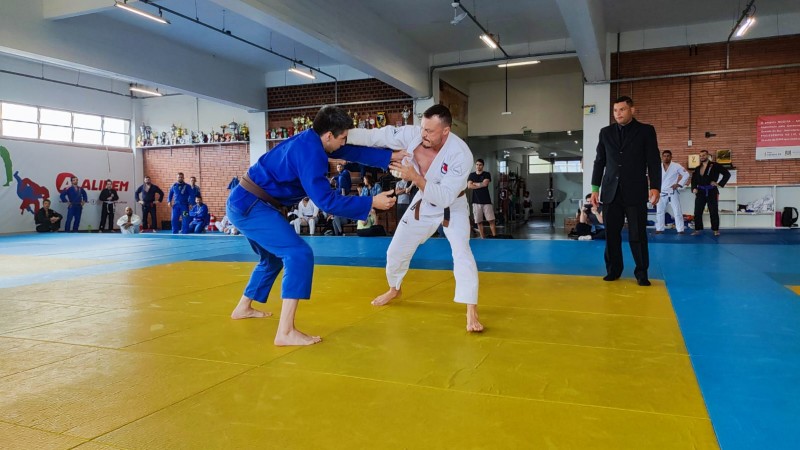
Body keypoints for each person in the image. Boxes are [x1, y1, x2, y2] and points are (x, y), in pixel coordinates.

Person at [226, 105, 400, 346]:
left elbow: (349, 150)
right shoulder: (310, 153)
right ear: (328, 135)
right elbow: (326, 201)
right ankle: (285, 332)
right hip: (251, 206)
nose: (343, 144)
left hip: (246, 201)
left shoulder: (312, 139)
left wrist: (389, 157)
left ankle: (243, 307)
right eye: (341, 138)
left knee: (272, 259)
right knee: (298, 253)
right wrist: (371, 201)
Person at [347, 104, 483, 332]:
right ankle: (395, 288)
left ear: (446, 131)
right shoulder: (413, 135)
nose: (424, 135)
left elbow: (445, 196)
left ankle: (471, 310)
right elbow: (376, 136)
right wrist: (344, 134)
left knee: (462, 252)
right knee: (395, 250)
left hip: (453, 204)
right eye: (423, 128)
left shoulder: (461, 154)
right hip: (424, 202)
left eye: (430, 131)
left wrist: (413, 177)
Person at [590, 96, 661, 286]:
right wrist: (595, 188)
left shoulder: (646, 131)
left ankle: (641, 273)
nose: (618, 114)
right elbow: (600, 162)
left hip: (635, 190)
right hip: (610, 191)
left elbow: (653, 160)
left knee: (637, 234)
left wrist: (655, 186)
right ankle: (613, 270)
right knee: (611, 234)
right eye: (615, 110)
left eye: (622, 109)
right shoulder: (605, 132)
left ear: (632, 110)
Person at [691, 149, 731, 236]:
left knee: (713, 211)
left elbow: (727, 174)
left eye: (704, 155)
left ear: (708, 156)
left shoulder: (715, 165)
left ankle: (715, 230)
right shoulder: (697, 168)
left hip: (711, 191)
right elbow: (693, 180)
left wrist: (719, 183)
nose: (702, 157)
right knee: (697, 211)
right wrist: (694, 188)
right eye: (700, 156)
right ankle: (697, 229)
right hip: (700, 191)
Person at [655, 150, 690, 234]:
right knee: (659, 211)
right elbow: (654, 178)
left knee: (677, 211)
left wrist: (678, 184)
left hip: (672, 192)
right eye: (664, 156)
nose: (666, 157)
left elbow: (686, 174)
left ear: (671, 157)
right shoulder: (658, 166)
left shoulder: (676, 166)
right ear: (662, 157)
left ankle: (680, 229)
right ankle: (659, 228)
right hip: (661, 192)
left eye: (668, 156)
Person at [468, 159, 496, 238]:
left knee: (491, 220)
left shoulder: (486, 174)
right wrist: (480, 184)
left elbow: (485, 184)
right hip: (476, 201)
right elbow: (469, 186)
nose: (478, 166)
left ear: (483, 166)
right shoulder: (472, 175)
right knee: (478, 221)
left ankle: (495, 236)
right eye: (477, 164)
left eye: (480, 165)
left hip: (486, 201)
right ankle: (482, 237)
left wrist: (474, 184)